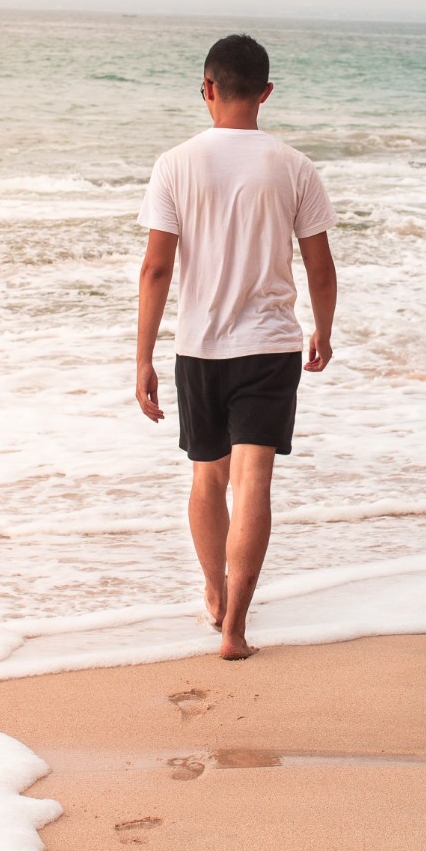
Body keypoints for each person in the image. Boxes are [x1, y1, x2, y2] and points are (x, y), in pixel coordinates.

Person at [135, 34, 338, 659]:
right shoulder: (294, 166)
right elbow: (320, 268)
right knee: (254, 481)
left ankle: (214, 592)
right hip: (270, 346)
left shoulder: (175, 164)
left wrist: (142, 357)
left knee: (207, 478)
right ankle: (236, 630)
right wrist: (323, 329)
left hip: (199, 347)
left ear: (207, 88)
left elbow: (156, 270)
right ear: (267, 92)